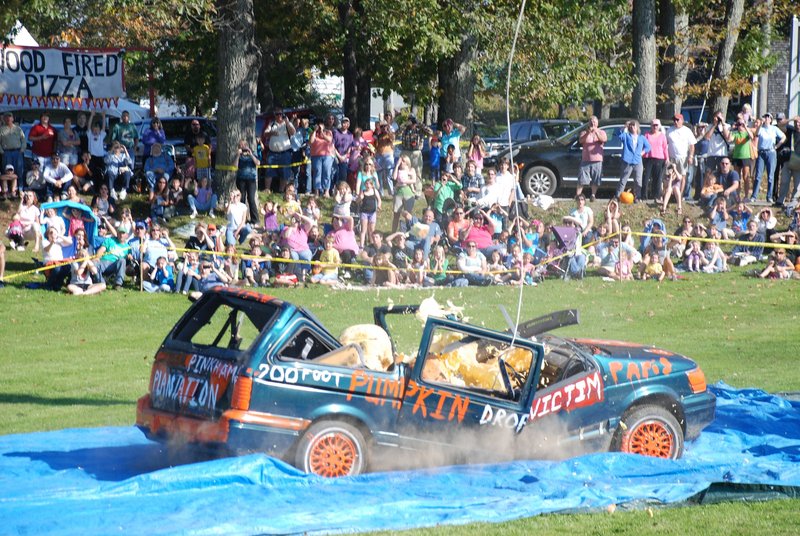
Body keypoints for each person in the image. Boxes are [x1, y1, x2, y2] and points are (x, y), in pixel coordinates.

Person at [750, 113, 786, 203]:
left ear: (770, 119)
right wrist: (760, 125)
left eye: (767, 117)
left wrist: (777, 146)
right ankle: (754, 196)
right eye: (765, 117)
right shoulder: (761, 129)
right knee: (758, 175)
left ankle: (769, 196)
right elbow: (756, 134)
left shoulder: (774, 129)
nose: (766, 118)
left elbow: (783, 137)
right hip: (761, 153)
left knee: (771, 176)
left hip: (771, 152)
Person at [262, 108, 297, 192]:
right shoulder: (272, 124)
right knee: (269, 171)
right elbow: (265, 134)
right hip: (272, 153)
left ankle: (281, 191)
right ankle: (267, 189)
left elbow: (293, 132)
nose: (279, 116)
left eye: (280, 114)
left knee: (284, 172)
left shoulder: (287, 123)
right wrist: (271, 133)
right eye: (277, 114)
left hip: (285, 152)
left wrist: (288, 122)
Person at [616, 120, 651, 199]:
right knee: (623, 180)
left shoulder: (641, 137)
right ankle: (618, 196)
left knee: (638, 180)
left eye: (634, 125)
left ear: (637, 127)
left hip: (638, 161)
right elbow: (619, 135)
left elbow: (648, 147)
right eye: (631, 126)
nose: (632, 127)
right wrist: (625, 126)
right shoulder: (626, 136)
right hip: (627, 160)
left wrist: (642, 152)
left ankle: (637, 197)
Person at [666, 113, 697, 203]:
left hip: (683, 157)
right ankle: (670, 195)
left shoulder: (687, 131)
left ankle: (680, 195)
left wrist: (690, 156)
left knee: (683, 177)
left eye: (677, 120)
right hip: (671, 157)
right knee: (670, 176)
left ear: (682, 121)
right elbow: (665, 144)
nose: (675, 122)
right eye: (674, 120)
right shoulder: (669, 130)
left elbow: (692, 145)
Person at [577, 115, 607, 201]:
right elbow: (581, 141)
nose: (592, 123)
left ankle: (593, 195)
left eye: (594, 121)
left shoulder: (602, 132)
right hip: (585, 159)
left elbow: (604, 140)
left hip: (597, 160)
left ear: (597, 123)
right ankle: (578, 196)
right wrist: (588, 132)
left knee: (595, 179)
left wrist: (596, 132)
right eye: (591, 121)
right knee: (582, 179)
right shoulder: (584, 132)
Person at [775, 115, 800, 208]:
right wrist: (792, 119)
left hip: (798, 163)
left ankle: (793, 203)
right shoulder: (791, 130)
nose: (797, 125)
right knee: (784, 181)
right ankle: (780, 200)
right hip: (788, 160)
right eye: (796, 123)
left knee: (797, 184)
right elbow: (780, 125)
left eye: (799, 123)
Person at [95, 218, 128, 289]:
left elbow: (129, 257)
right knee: (94, 264)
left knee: (122, 260)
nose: (121, 235)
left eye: (123, 233)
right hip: (104, 261)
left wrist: (130, 256)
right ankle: (101, 283)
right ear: (117, 233)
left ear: (126, 235)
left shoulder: (128, 247)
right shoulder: (110, 240)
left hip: (115, 264)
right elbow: (101, 250)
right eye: (119, 232)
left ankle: (118, 284)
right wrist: (97, 257)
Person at [234, 139, 260, 224]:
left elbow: (258, 163)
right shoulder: (238, 155)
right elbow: (235, 166)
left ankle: (255, 220)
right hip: (241, 179)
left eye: (244, 145)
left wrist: (251, 155)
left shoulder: (252, 152)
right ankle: (242, 219)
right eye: (240, 145)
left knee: (251, 199)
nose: (242, 147)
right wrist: (238, 155)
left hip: (251, 179)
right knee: (242, 198)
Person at [399, 116, 432, 183]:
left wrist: (420, 123)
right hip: (406, 152)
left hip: (416, 152)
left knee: (418, 172)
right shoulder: (404, 129)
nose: (412, 123)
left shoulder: (420, 129)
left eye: (413, 121)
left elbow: (430, 132)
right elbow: (397, 133)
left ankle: (418, 191)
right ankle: (407, 190)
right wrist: (406, 124)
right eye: (411, 121)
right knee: (405, 171)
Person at [642, 119, 668, 202]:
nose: (655, 127)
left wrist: (667, 158)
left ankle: (656, 196)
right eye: (653, 125)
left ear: (659, 126)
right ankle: (644, 196)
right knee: (646, 178)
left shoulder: (662, 136)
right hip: (648, 158)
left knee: (657, 179)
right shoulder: (646, 135)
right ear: (651, 126)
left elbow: (665, 148)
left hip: (659, 159)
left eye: (657, 125)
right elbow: (643, 146)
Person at [391, 155, 418, 232]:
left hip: (408, 193)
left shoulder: (411, 170)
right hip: (399, 194)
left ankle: (409, 232)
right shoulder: (398, 170)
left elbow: (414, 180)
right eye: (401, 161)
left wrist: (404, 182)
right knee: (396, 214)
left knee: (408, 215)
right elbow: (394, 177)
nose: (401, 162)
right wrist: (397, 165)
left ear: (407, 162)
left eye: (403, 161)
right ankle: (393, 232)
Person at [309, 117, 335, 197]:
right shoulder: (313, 133)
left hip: (327, 156)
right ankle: (316, 191)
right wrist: (314, 131)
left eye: (321, 125)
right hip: (316, 156)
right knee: (317, 173)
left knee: (327, 173)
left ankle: (326, 191)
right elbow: (311, 141)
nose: (319, 126)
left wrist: (322, 132)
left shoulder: (328, 132)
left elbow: (329, 140)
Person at [729, 118, 754, 200]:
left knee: (746, 177)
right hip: (736, 157)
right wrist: (732, 129)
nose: (740, 126)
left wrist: (745, 126)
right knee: (737, 177)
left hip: (745, 157)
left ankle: (746, 196)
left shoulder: (746, 133)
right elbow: (730, 139)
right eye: (739, 124)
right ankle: (737, 196)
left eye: (741, 124)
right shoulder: (735, 133)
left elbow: (752, 136)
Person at [0, 112, 26, 184]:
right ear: (4, 119)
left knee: (19, 171)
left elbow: (23, 140)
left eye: (10, 117)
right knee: (7, 172)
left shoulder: (18, 129)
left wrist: (22, 149)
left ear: (13, 118)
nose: (8, 118)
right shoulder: (1, 129)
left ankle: (19, 188)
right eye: (6, 117)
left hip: (17, 152)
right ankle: (7, 190)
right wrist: (1, 151)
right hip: (6, 152)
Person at [374, 121, 396, 197]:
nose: (383, 128)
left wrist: (388, 131)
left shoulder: (390, 134)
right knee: (379, 174)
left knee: (389, 174)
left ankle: (391, 191)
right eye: (382, 126)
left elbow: (393, 139)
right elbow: (375, 145)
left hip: (388, 155)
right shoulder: (378, 135)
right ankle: (381, 192)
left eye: (385, 126)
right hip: (379, 155)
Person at [331, 116, 353, 187]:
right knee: (334, 173)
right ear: (341, 123)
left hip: (345, 157)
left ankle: (341, 189)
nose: (345, 124)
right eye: (344, 122)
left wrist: (345, 156)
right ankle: (332, 190)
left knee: (343, 175)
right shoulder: (336, 132)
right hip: (335, 155)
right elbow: (333, 145)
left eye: (347, 123)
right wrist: (339, 156)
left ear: (349, 124)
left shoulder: (350, 135)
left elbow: (350, 147)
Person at [87, 111, 108, 180]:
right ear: (92, 130)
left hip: (100, 156)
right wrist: (92, 115)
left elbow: (104, 127)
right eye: (94, 130)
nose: (95, 131)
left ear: (100, 131)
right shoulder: (90, 135)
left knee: (102, 170)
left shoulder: (101, 136)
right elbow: (89, 126)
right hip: (92, 156)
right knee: (92, 171)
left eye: (97, 130)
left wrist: (103, 116)